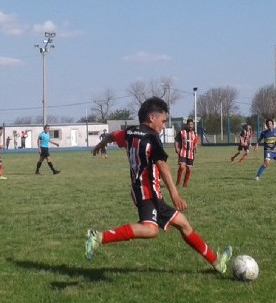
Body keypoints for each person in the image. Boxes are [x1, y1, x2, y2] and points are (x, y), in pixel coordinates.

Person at [87, 97, 232, 274]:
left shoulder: (131, 132)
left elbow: (112, 135)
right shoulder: (151, 138)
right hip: (148, 192)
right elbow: (162, 166)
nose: (163, 126)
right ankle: (99, 237)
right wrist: (175, 194)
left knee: (184, 225)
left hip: (147, 191)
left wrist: (101, 143)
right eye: (163, 121)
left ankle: (217, 262)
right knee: (150, 230)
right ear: (151, 118)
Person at [175, 118, 199, 187]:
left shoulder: (194, 133)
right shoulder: (182, 132)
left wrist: (196, 148)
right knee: (182, 167)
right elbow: (176, 140)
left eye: (191, 124)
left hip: (191, 153)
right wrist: (176, 147)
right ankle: (178, 182)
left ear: (193, 125)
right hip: (183, 151)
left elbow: (195, 142)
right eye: (189, 124)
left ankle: (185, 183)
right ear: (186, 125)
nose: (190, 126)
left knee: (188, 169)